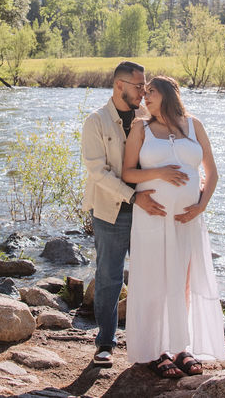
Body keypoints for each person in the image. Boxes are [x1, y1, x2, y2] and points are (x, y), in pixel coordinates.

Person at [121, 75, 225, 378]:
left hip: (187, 219)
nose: (145, 98)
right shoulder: (140, 128)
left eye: (150, 92)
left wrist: (200, 207)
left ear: (167, 94)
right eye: (144, 94)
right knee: (153, 280)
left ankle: (182, 346)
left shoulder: (194, 125)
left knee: (184, 282)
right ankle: (156, 351)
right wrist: (160, 173)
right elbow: (128, 173)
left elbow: (212, 173)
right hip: (153, 216)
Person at [80, 60, 166, 367]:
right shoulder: (96, 122)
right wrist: (133, 196)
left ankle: (152, 342)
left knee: (151, 275)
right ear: (120, 86)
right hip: (110, 210)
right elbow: (97, 172)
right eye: (138, 86)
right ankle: (105, 342)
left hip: (149, 210)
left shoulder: (149, 117)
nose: (144, 92)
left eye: (145, 86)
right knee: (109, 278)